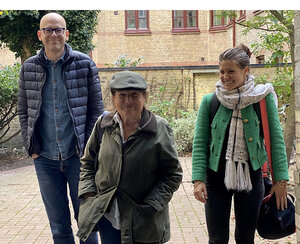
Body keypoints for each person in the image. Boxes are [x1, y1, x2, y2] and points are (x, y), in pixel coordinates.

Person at [18, 12, 103, 244]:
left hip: (79, 158)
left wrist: (88, 150)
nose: (53, 34)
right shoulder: (29, 68)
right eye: (48, 30)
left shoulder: (85, 64)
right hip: (45, 158)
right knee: (58, 227)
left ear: (66, 33)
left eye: (58, 30)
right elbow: (23, 110)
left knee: (87, 224)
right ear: (40, 35)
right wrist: (31, 146)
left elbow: (97, 112)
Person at [192, 44, 289, 244]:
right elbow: (200, 143)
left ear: (246, 71)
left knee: (245, 238)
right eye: (221, 71)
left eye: (230, 71)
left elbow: (276, 141)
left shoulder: (262, 99)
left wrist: (281, 182)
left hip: (252, 179)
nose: (225, 77)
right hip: (215, 179)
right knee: (217, 239)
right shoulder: (209, 101)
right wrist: (198, 180)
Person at [76, 70, 183, 244]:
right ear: (113, 98)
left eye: (134, 95)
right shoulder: (104, 125)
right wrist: (88, 193)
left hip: (144, 218)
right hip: (108, 214)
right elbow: (88, 163)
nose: (128, 101)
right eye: (122, 95)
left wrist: (152, 204)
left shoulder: (159, 128)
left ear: (144, 97)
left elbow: (172, 174)